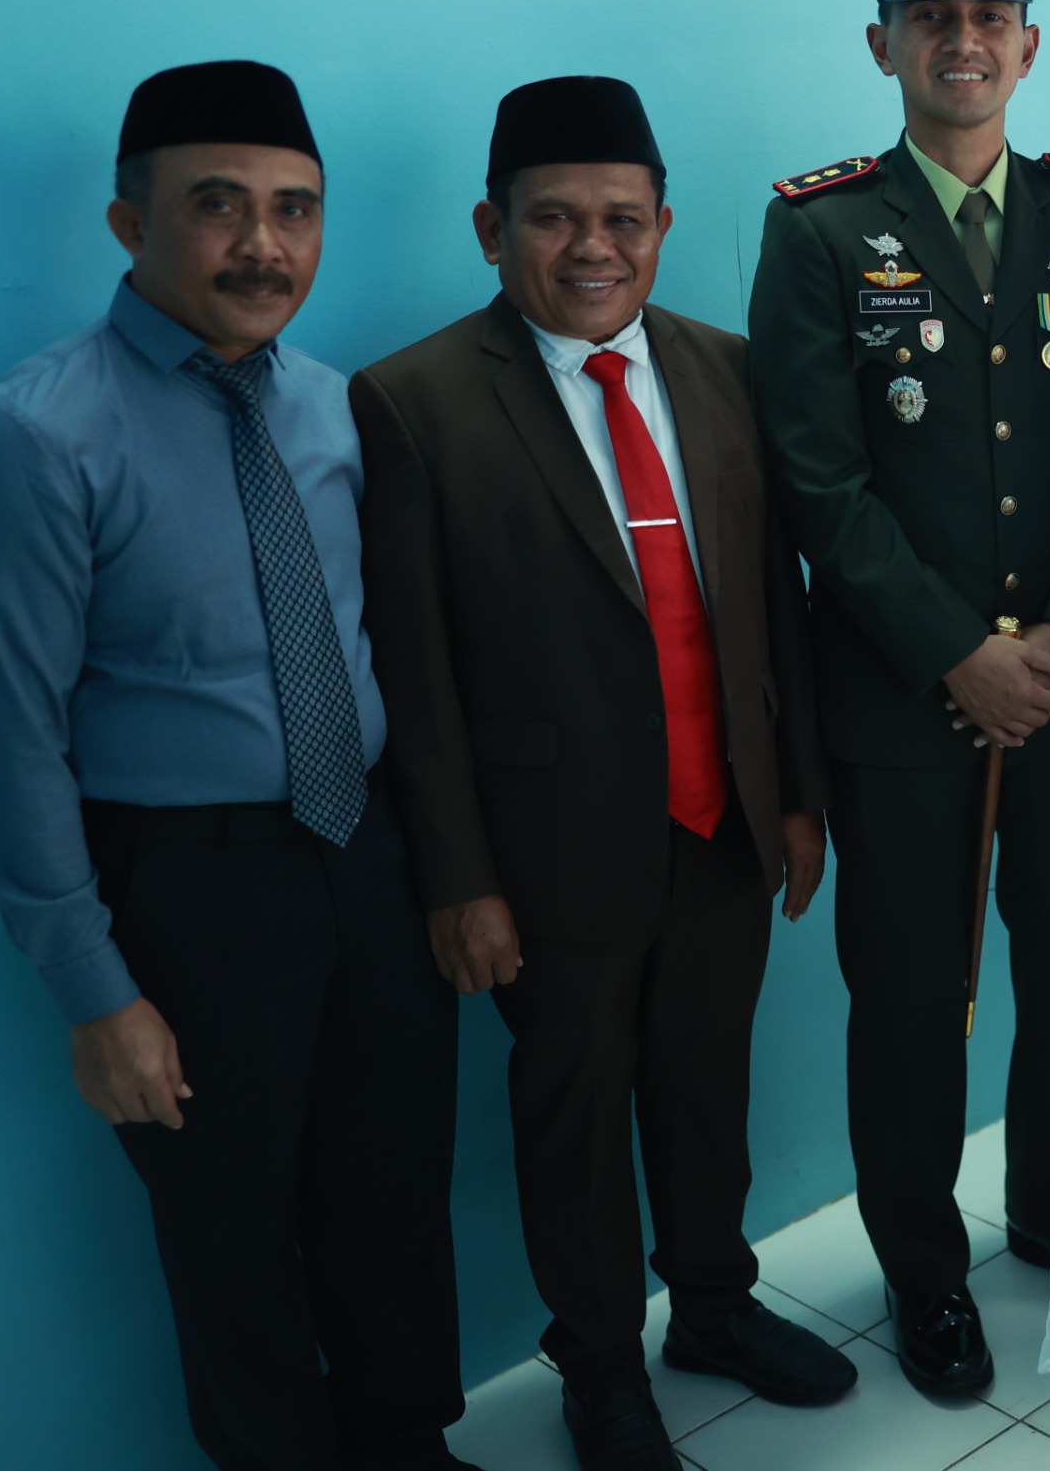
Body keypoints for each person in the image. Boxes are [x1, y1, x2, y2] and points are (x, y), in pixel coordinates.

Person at [0, 62, 473, 1470]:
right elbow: (12, 743)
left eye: (295, 209)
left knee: (390, 1187)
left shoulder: (337, 410)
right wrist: (95, 991)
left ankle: (406, 1446)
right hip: (188, 890)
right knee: (230, 1224)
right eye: (217, 206)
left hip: (365, 855)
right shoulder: (33, 439)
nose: (263, 245)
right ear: (130, 221)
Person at [352, 77, 852, 1471]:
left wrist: (794, 792)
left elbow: (774, 600)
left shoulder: (727, 365)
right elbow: (414, 674)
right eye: (553, 218)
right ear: (491, 228)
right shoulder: (414, 401)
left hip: (722, 821)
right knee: (572, 1117)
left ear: (663, 226)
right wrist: (458, 878)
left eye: (623, 218)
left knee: (705, 1085)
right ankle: (600, 1364)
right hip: (547, 853)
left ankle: (714, 1306)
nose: (593, 247)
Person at [748, 0, 1050, 1397]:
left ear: (1028, 46)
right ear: (884, 45)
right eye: (932, 16)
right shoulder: (822, 228)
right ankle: (924, 1271)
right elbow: (818, 480)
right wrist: (957, 652)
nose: (963, 39)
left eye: (990, 14)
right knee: (910, 1000)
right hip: (901, 697)